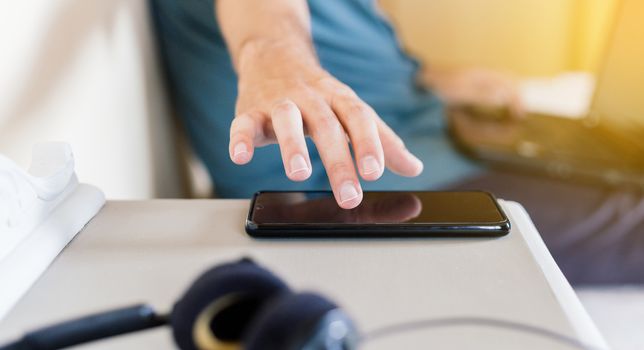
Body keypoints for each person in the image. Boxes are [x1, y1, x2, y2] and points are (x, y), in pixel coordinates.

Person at [152, 0, 644, 284]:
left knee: (624, 153)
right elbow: (265, 17)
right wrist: (273, 59)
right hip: (356, 172)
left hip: (429, 124)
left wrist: (427, 78)